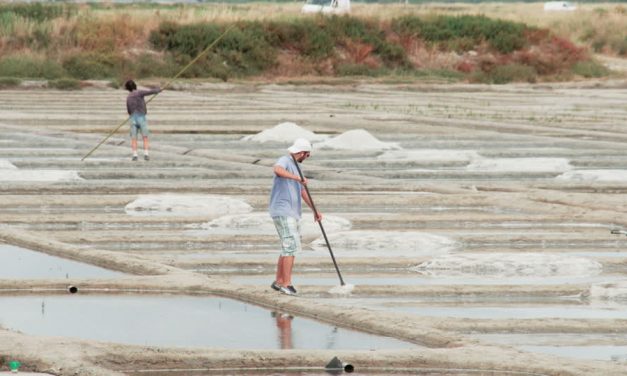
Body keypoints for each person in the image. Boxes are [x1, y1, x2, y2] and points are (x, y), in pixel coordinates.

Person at [269, 138, 322, 296]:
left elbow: (302, 191)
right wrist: (297, 178)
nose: (307, 158)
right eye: (307, 155)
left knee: (287, 246)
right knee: (290, 246)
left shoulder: (297, 167)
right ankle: (287, 284)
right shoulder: (285, 160)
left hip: (291, 212)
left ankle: (279, 281)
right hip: (283, 210)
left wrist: (315, 210)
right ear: (301, 153)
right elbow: (277, 170)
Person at [124, 80, 160, 161]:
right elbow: (151, 92)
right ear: (135, 86)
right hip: (141, 117)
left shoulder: (128, 97)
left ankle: (135, 155)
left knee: (134, 138)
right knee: (145, 137)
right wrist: (158, 90)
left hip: (132, 118)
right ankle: (146, 154)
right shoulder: (139, 93)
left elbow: (129, 110)